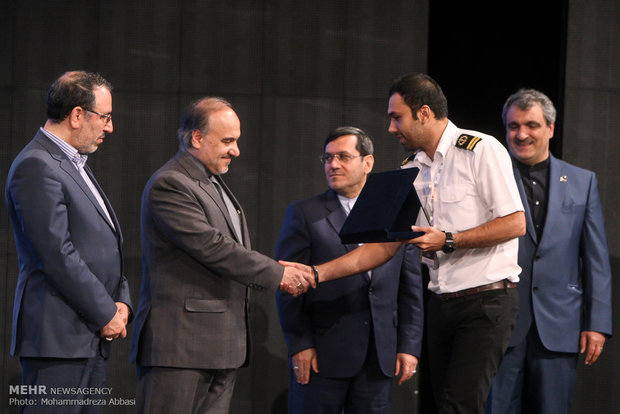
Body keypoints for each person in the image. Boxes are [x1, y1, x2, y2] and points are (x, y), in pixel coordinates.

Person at [287, 73, 526, 413]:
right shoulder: (410, 168)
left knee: (458, 406)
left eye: (396, 117)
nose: (391, 128)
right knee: (444, 404)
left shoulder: (480, 149)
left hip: (486, 301)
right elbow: (384, 246)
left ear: (424, 113)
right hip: (442, 305)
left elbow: (516, 222)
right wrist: (315, 274)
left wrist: (449, 239)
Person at [130, 97, 316, 414]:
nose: (236, 150)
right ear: (197, 138)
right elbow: (213, 247)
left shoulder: (211, 181)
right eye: (228, 141)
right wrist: (278, 274)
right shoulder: (170, 183)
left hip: (221, 347)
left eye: (236, 140)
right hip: (181, 349)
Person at [5, 71, 132, 413]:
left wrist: (122, 302)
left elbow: (106, 245)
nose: (110, 127)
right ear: (77, 115)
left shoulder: (74, 164)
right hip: (58, 339)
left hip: (88, 335)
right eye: (105, 117)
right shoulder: (36, 164)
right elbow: (55, 254)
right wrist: (106, 310)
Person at [275, 126, 424, 413]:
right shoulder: (304, 213)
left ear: (367, 162)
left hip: (378, 357)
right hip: (323, 354)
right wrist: (299, 344)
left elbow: (410, 290)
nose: (333, 164)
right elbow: (289, 285)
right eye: (328, 158)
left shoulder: (393, 212)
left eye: (343, 156)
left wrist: (409, 346)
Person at [487, 89, 613, 414]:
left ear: (551, 128)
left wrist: (596, 323)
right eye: (513, 126)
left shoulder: (582, 182)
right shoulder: (489, 179)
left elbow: (596, 260)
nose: (522, 134)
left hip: (560, 324)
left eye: (531, 125)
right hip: (501, 323)